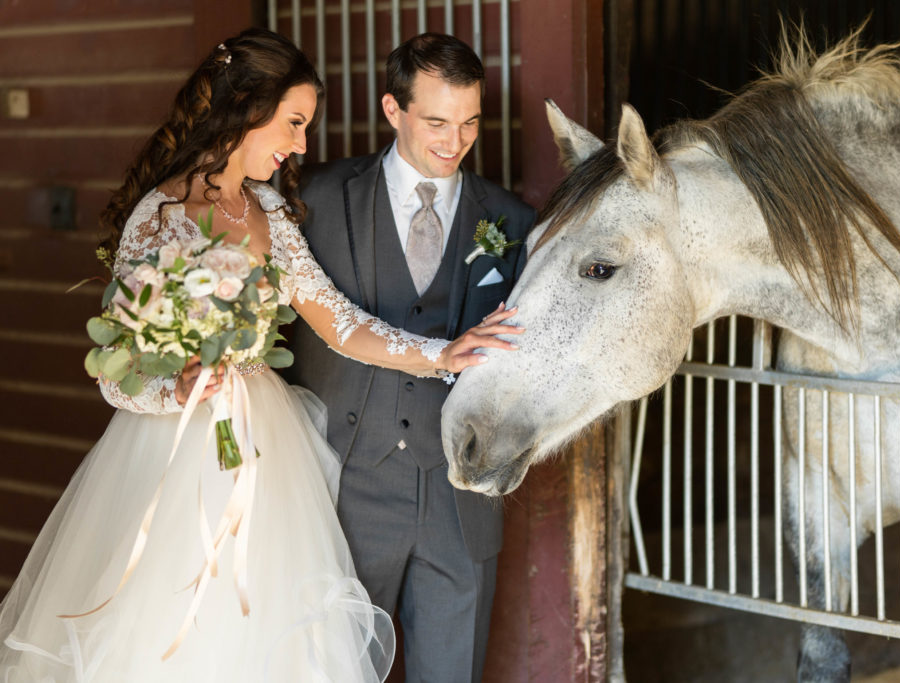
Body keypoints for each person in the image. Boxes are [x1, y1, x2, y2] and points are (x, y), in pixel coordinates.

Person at [0, 28, 521, 682]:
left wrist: (447, 352)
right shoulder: (158, 218)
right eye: (294, 123)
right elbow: (118, 379)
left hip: (269, 455)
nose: (303, 144)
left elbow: (340, 325)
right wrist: (184, 385)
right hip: (178, 456)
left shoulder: (270, 211)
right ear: (248, 109)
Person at [283, 32, 534, 683]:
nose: (455, 141)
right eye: (436, 121)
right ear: (393, 110)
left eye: (470, 122)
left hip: (461, 498)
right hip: (345, 487)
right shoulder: (316, 199)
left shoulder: (510, 222)